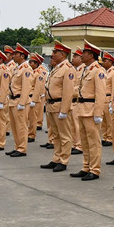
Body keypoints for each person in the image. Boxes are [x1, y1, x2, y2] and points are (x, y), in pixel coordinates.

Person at [67, 41, 107, 181]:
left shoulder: (98, 71)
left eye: (84, 52)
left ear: (91, 55)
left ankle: (94, 169)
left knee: (94, 142)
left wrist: (98, 113)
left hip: (91, 111)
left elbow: (100, 94)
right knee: (84, 141)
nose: (81, 55)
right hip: (82, 109)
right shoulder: (86, 69)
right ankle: (86, 166)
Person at [40, 41, 76, 172]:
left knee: (64, 135)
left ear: (63, 54)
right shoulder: (56, 68)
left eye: (55, 52)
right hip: (51, 106)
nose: (52, 54)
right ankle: (56, 158)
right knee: (55, 134)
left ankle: (64, 160)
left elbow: (68, 91)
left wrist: (65, 110)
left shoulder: (68, 69)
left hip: (61, 106)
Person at [6, 44, 33, 157]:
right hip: (13, 100)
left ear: (22, 56)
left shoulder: (26, 69)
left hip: (20, 101)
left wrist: (22, 103)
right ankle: (17, 146)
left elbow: (26, 87)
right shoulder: (18, 68)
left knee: (21, 126)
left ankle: (22, 148)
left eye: (16, 54)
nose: (14, 56)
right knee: (14, 126)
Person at [27, 54, 46, 143]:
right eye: (29, 62)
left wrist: (34, 100)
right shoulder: (32, 72)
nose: (30, 63)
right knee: (27, 118)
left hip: (33, 98)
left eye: (31, 62)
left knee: (32, 118)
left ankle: (31, 134)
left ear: (36, 63)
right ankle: (28, 132)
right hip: (28, 97)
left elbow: (38, 87)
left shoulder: (39, 73)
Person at [100, 52, 114, 147]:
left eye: (105, 61)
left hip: (109, 98)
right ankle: (104, 136)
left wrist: (111, 101)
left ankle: (110, 138)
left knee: (109, 121)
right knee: (104, 121)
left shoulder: (113, 73)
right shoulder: (105, 72)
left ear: (110, 62)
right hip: (103, 98)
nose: (103, 63)